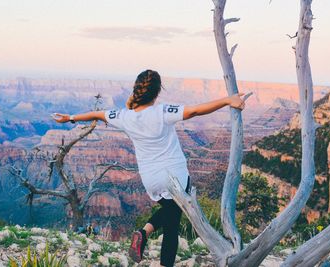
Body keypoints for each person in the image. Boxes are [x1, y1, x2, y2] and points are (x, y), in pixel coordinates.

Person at [52, 69, 246, 267]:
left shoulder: (124, 116)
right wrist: (227, 100)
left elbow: (97, 114)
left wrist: (71, 117)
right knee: (172, 227)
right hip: (175, 176)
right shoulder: (162, 112)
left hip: (150, 179)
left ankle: (144, 233)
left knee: (171, 212)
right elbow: (195, 110)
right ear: (156, 92)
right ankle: (152, 244)